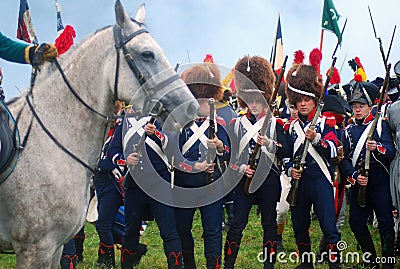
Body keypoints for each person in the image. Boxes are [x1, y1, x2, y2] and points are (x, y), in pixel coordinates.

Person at [224, 55, 290, 269]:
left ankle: (268, 266)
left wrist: (270, 142)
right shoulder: (236, 123)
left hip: (269, 179)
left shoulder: (275, 122)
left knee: (269, 225)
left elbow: (286, 149)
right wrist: (242, 168)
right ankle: (228, 265)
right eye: (249, 98)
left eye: (257, 98)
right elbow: (230, 155)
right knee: (236, 225)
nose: (253, 103)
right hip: (245, 180)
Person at [108, 110, 184, 269]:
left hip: (160, 184)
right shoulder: (125, 122)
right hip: (135, 185)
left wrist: (156, 133)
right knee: (130, 232)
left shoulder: (163, 119)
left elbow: (174, 147)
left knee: (169, 232)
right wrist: (125, 160)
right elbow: (112, 150)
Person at [172, 62, 230, 269]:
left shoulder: (218, 123)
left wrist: (220, 146)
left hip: (212, 186)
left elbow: (229, 152)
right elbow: (173, 152)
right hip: (185, 184)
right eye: (199, 99)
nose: (204, 104)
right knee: (182, 229)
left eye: (207, 100)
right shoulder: (180, 125)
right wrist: (193, 166)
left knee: (213, 231)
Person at [284, 63, 341, 269]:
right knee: (299, 226)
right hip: (300, 183)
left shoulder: (327, 122)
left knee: (328, 226)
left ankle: (335, 264)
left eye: (307, 100)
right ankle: (306, 263)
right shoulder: (291, 127)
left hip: (321, 181)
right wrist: (291, 169)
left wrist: (317, 139)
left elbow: (334, 150)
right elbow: (286, 156)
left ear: (314, 100)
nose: (303, 104)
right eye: (299, 100)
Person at [341, 79, 396, 268]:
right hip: (360, 183)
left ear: (370, 106)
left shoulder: (380, 125)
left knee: (385, 223)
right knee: (356, 223)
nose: (357, 109)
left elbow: (391, 151)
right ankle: (370, 259)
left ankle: (388, 262)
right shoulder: (347, 132)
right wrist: (355, 177)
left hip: (380, 180)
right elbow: (344, 160)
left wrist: (377, 147)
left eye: (361, 106)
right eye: (354, 106)